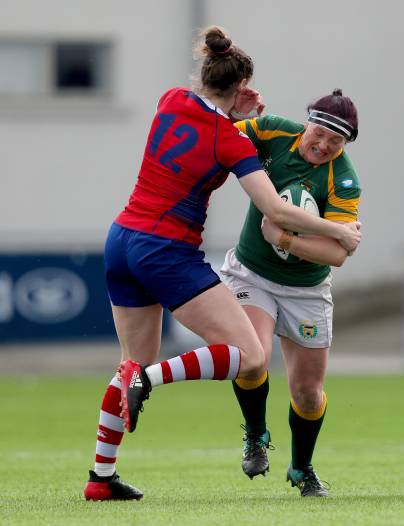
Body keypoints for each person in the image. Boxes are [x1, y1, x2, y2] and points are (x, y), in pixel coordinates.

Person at [82, 27, 361, 501]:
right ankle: (148, 380)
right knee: (250, 356)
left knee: (130, 359)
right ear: (240, 86)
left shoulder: (170, 99)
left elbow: (201, 112)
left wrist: (234, 109)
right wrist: (339, 230)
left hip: (122, 238)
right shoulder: (230, 142)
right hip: (165, 249)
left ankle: (100, 478)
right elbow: (273, 210)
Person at [219, 89, 361, 497]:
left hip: (307, 290)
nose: (324, 145)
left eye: (337, 141)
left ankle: (301, 468)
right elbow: (220, 134)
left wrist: (284, 238)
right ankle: (257, 436)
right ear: (306, 123)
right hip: (252, 274)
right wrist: (232, 112)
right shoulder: (272, 132)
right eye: (319, 133)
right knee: (251, 358)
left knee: (309, 394)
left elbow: (337, 256)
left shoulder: (343, 178)